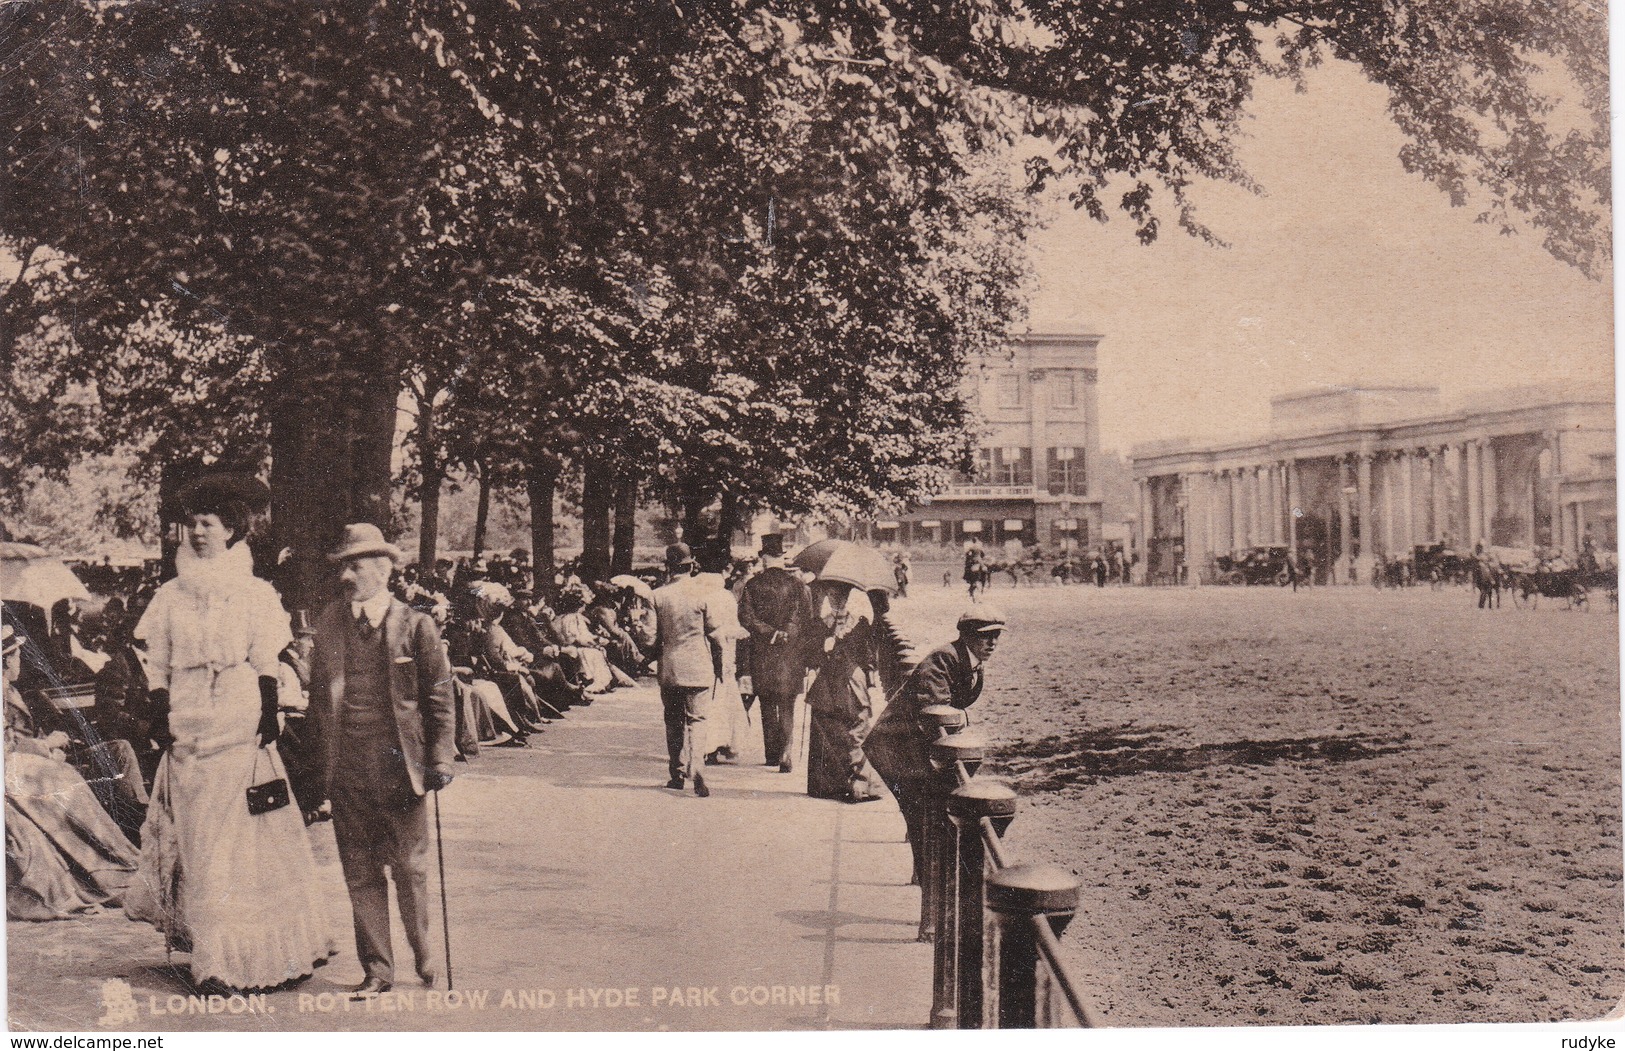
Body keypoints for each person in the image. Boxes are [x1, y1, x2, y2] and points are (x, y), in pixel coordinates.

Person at [123, 477, 335, 993]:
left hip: (238, 713)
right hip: (188, 716)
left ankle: (236, 959)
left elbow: (266, 658)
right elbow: (158, 663)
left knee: (240, 836)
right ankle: (217, 947)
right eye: (191, 523)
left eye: (208, 524)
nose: (197, 533)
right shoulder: (170, 595)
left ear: (232, 530)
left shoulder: (255, 592)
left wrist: (267, 708)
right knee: (200, 838)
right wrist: (158, 704)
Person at [308, 523, 456, 997]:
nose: (346, 575)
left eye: (355, 565)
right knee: (360, 870)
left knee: (409, 869)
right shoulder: (330, 621)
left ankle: (424, 952)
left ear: (383, 568)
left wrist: (440, 758)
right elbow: (316, 702)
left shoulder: (415, 624)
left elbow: (439, 697)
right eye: (343, 566)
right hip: (347, 770)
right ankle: (377, 970)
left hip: (400, 769)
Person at [6, 622, 140, 921]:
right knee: (62, 781)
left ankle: (122, 847)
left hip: (48, 756)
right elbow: (9, 743)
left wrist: (53, 744)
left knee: (115, 753)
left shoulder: (18, 691)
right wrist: (47, 745)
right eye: (15, 655)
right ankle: (112, 863)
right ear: (5, 660)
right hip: (22, 766)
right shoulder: (7, 694)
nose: (20, 662)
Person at [864, 607, 1005, 891]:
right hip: (896, 749)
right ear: (966, 636)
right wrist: (961, 719)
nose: (991, 643)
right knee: (922, 816)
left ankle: (926, 885)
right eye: (984, 637)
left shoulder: (968, 660)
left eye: (996, 636)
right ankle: (930, 897)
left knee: (928, 816)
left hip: (916, 748)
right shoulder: (944, 658)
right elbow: (932, 708)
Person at [646, 543, 725, 797]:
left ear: (668, 567)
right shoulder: (703, 595)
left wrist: (654, 655)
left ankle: (677, 773)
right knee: (698, 719)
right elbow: (715, 634)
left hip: (670, 668)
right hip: (699, 666)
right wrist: (719, 665)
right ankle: (698, 764)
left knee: (673, 720)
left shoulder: (657, 596)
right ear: (691, 566)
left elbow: (649, 637)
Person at [737, 534, 815, 773]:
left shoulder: (753, 585)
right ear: (782, 557)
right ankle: (786, 753)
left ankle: (771, 753)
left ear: (764, 558)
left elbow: (746, 617)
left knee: (767, 703)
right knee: (788, 703)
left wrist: (769, 632)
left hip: (762, 652)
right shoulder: (799, 585)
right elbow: (807, 619)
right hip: (792, 654)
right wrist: (788, 632)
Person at [802, 582, 882, 803]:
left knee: (856, 727)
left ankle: (861, 782)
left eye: (841, 595)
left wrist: (869, 677)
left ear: (847, 597)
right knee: (827, 728)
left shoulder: (859, 624)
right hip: (828, 682)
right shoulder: (821, 624)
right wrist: (822, 649)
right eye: (833, 594)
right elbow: (809, 657)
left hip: (850, 681)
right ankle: (829, 784)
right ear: (828, 596)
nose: (837, 598)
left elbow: (868, 654)